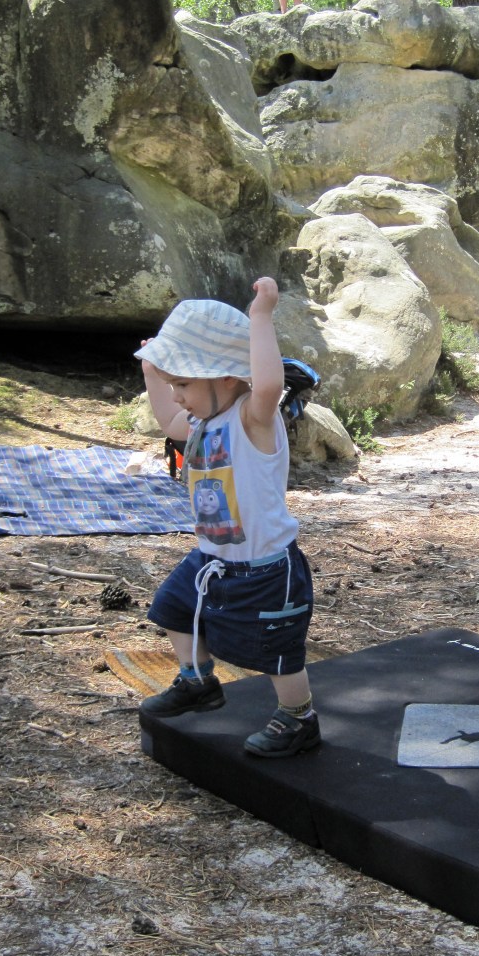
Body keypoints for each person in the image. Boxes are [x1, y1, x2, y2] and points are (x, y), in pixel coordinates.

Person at [134, 278, 320, 758]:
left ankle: (299, 720)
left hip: (265, 567)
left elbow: (270, 382)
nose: (177, 396)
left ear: (224, 377)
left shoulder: (253, 420)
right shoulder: (200, 423)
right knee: (174, 607)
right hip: (211, 559)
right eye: (175, 385)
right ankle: (198, 681)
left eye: (184, 383)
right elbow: (168, 422)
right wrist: (155, 371)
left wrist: (261, 317)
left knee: (278, 652)